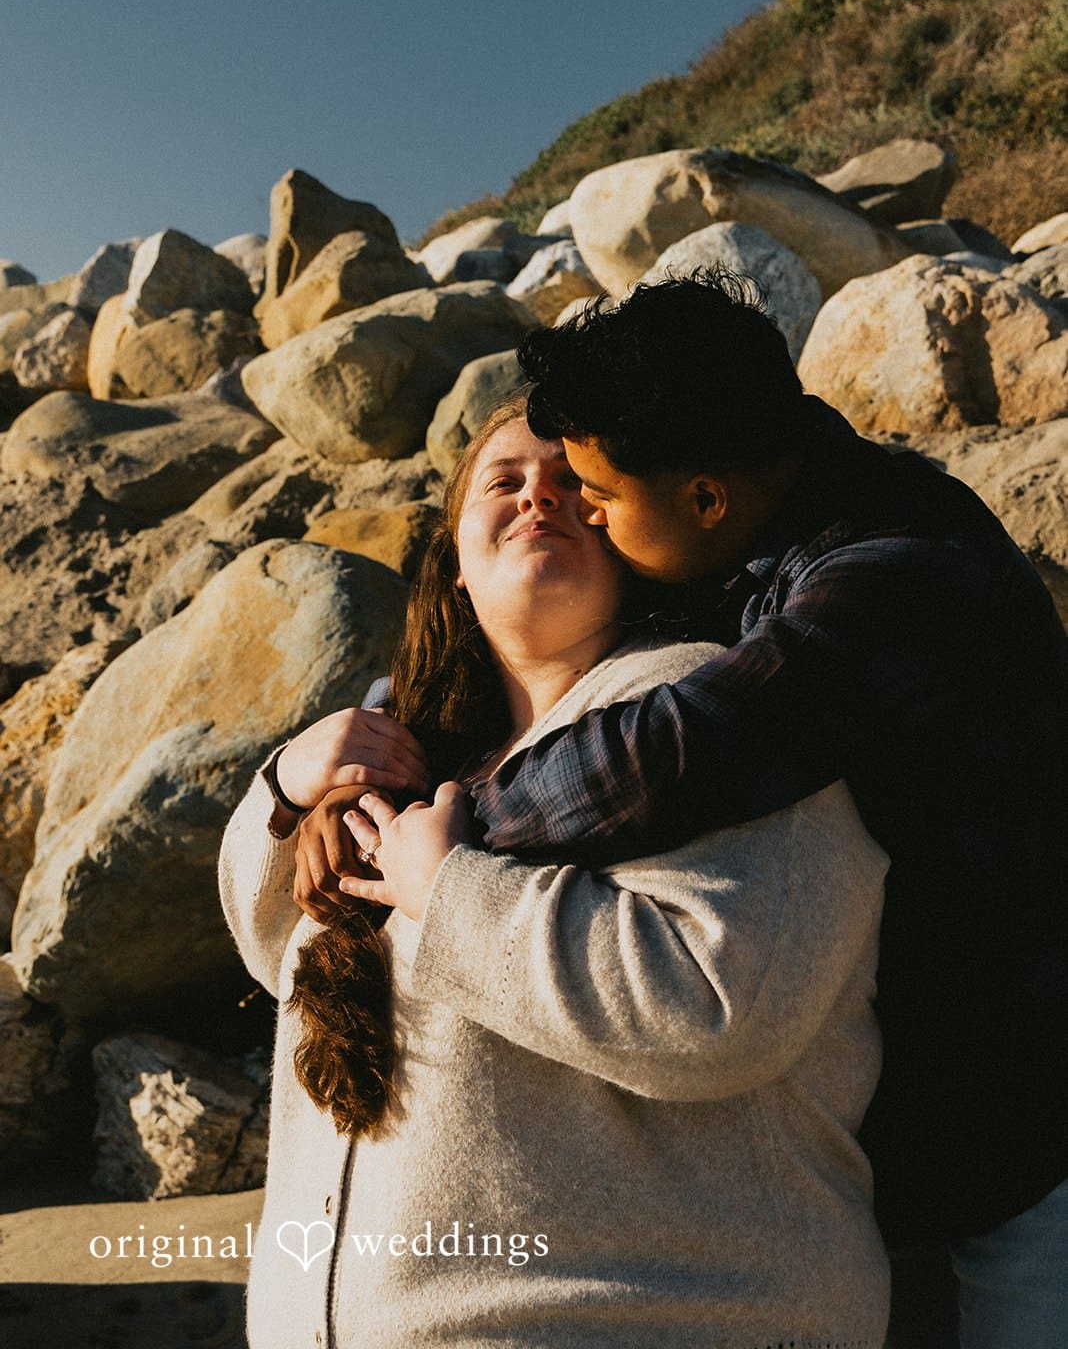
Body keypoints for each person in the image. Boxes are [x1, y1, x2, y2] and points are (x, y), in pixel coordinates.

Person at [353, 271, 1066, 1349]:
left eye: (595, 492)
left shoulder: (896, 574)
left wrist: (448, 827)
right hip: (894, 1148)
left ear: (703, 500)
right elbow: (521, 648)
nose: (574, 508)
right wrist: (373, 745)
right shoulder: (759, 489)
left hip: (1021, 1144)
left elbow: (675, 751)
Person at [218, 396, 891, 1349]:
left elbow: (715, 1007)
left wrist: (452, 895)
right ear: (454, 562)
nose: (540, 498)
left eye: (576, 483)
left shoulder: (716, 713)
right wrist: (283, 793)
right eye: (505, 482)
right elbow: (274, 951)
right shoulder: (416, 758)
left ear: (637, 530)